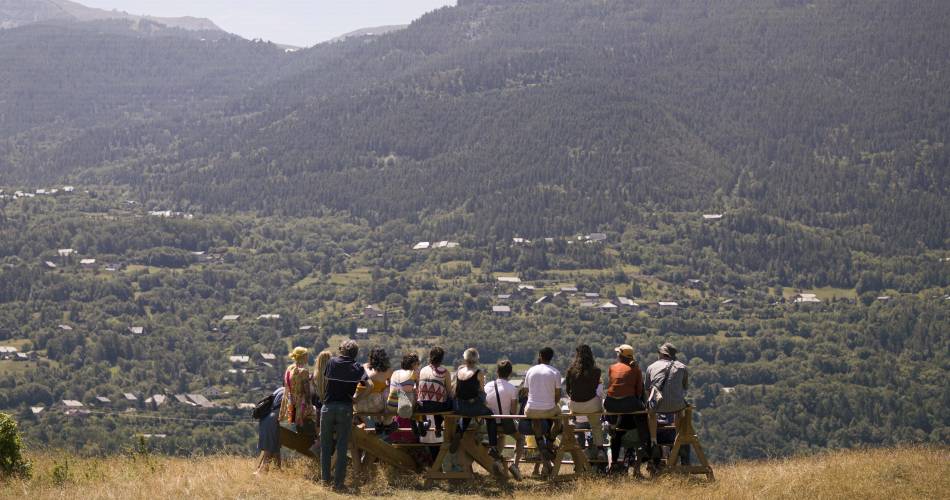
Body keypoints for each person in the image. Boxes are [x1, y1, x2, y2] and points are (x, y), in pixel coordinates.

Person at [320, 340, 368, 491]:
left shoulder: (332, 362)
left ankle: (325, 481)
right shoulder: (358, 368)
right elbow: (370, 384)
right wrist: (357, 398)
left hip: (328, 407)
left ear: (342, 350)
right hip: (346, 408)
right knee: (341, 447)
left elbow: (326, 379)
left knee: (326, 445)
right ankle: (339, 484)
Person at [450, 348, 504, 471]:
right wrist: (484, 403)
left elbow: (456, 388)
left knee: (466, 415)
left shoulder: (459, 370)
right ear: (476, 359)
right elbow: (481, 390)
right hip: (472, 406)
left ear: (465, 358)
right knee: (489, 416)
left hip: (460, 406)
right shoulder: (478, 372)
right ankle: (493, 446)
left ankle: (460, 431)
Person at [604, 344, 650, 472]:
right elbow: (639, 392)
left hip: (610, 403)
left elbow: (611, 386)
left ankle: (612, 426)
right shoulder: (636, 369)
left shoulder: (612, 367)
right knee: (643, 411)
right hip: (629, 403)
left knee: (613, 421)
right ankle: (645, 440)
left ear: (620, 355)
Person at [646, 342, 689, 455]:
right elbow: (684, 387)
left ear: (661, 353)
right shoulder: (682, 367)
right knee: (680, 410)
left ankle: (653, 441)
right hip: (676, 405)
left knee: (651, 413)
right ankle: (678, 439)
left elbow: (648, 390)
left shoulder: (651, 367)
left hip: (657, 405)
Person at [485, 359, 523, 480]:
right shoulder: (512, 389)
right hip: (506, 423)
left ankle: (497, 460)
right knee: (520, 439)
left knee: (500, 436)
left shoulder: (487, 386)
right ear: (510, 373)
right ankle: (515, 465)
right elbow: (513, 412)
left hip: (491, 424)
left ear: (497, 371)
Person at [565, 344, 605, 460]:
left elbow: (568, 391)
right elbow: (595, 389)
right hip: (591, 404)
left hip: (575, 405)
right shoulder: (596, 371)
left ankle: (579, 449)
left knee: (576, 423)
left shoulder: (570, 371)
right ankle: (600, 449)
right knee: (596, 425)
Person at [523, 346, 562, 461]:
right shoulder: (555, 372)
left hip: (531, 409)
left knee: (535, 417)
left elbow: (526, 391)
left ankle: (540, 443)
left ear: (540, 356)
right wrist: (551, 404)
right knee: (559, 420)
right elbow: (558, 395)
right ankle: (550, 441)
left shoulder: (530, 370)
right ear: (551, 358)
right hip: (549, 408)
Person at [417, 346, 454, 438]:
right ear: (441, 358)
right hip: (437, 407)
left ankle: (431, 426)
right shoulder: (445, 372)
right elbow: (449, 392)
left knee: (434, 398)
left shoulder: (422, 370)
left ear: (430, 357)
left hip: (423, 407)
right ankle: (449, 429)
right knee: (448, 401)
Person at [355, 347, 394, 433]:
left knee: (377, 392)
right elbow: (392, 388)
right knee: (388, 390)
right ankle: (387, 423)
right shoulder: (388, 371)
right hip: (373, 405)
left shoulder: (364, 366)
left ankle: (378, 423)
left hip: (358, 405)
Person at [280, 347, 315, 434]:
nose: (307, 357)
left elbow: (285, 385)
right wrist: (310, 406)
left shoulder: (289, 369)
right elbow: (307, 393)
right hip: (301, 404)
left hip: (290, 403)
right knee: (317, 414)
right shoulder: (304, 371)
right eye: (306, 355)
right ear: (302, 357)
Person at [387, 352, 422, 436]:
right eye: (418, 364)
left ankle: (416, 424)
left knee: (408, 392)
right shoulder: (412, 373)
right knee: (416, 396)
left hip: (390, 405)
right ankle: (420, 423)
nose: (418, 366)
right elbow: (415, 390)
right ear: (413, 364)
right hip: (403, 408)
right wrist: (417, 382)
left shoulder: (396, 372)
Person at [254, 386, 283, 474]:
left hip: (265, 418)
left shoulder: (280, 390)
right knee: (269, 448)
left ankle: (278, 470)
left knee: (275, 446)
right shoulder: (290, 394)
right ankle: (261, 472)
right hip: (271, 420)